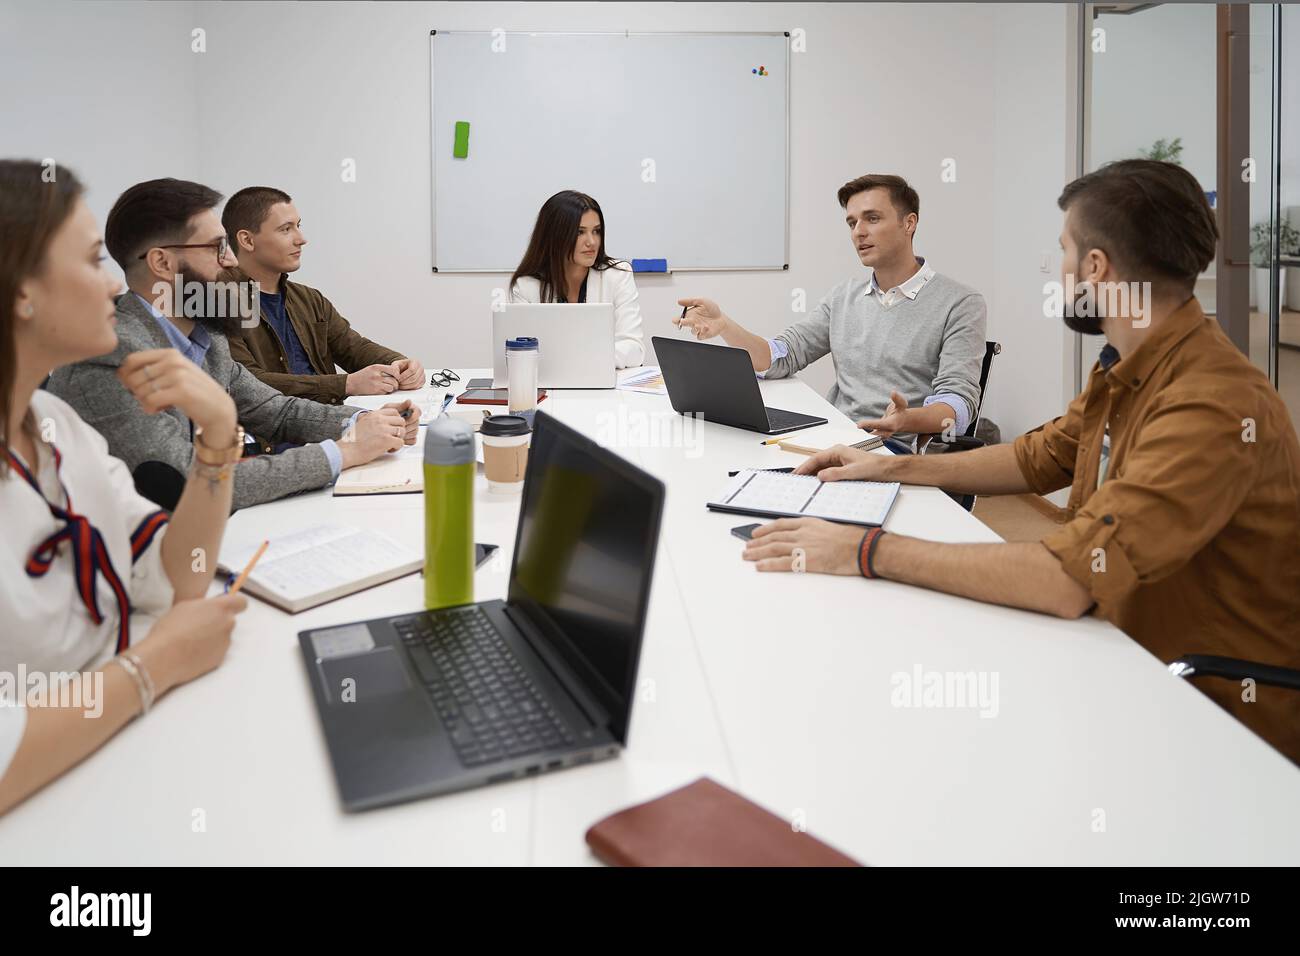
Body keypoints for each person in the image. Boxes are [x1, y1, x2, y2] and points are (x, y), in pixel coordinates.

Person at [741, 160, 1300, 764]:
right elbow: (1040, 457)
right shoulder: (1129, 363)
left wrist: (861, 549)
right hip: (1112, 640)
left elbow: (1067, 579)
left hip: (1203, 708)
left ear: (1095, 267)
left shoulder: (1210, 401)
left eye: (1063, 250)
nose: (1057, 269)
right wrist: (887, 466)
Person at [0, 159, 248, 814]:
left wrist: (219, 437)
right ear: (21, 290)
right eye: (91, 261)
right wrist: (154, 666)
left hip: (107, 760)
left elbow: (176, 578)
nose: (116, 287)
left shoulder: (57, 427)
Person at [46, 179, 417, 511]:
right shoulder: (110, 360)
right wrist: (346, 450)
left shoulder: (206, 336)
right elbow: (194, 483)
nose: (230, 260)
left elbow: (276, 410)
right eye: (215, 247)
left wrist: (366, 422)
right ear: (162, 262)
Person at [675, 174, 986, 446]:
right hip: (835, 436)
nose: (858, 232)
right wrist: (724, 324)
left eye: (872, 218)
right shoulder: (844, 296)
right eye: (852, 222)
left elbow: (957, 405)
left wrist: (908, 419)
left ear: (909, 223)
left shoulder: (960, 303)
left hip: (897, 448)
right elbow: (782, 356)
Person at [221, 186, 425, 404]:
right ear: (247, 240)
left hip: (329, 419)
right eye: (285, 229)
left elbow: (353, 347)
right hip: (276, 434)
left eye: (298, 226)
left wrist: (399, 363)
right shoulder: (218, 302)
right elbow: (247, 383)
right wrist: (346, 384)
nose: (301, 239)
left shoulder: (309, 299)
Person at [509, 189, 645, 369]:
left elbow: (635, 349)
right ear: (554, 236)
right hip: (551, 387)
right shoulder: (527, 286)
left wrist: (585, 361)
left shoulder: (618, 274)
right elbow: (524, 355)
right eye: (580, 232)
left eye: (596, 231)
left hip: (604, 386)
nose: (592, 242)